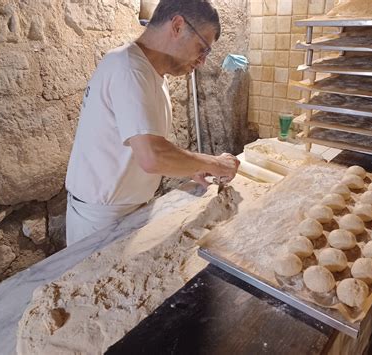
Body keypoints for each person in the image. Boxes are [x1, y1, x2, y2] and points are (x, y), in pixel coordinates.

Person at [65, 0, 240, 246]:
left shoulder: (150, 72)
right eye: (202, 48)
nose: (202, 61)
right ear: (178, 26)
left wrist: (193, 168)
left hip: (127, 209)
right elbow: (152, 156)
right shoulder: (129, 68)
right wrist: (216, 164)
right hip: (101, 220)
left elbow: (143, 149)